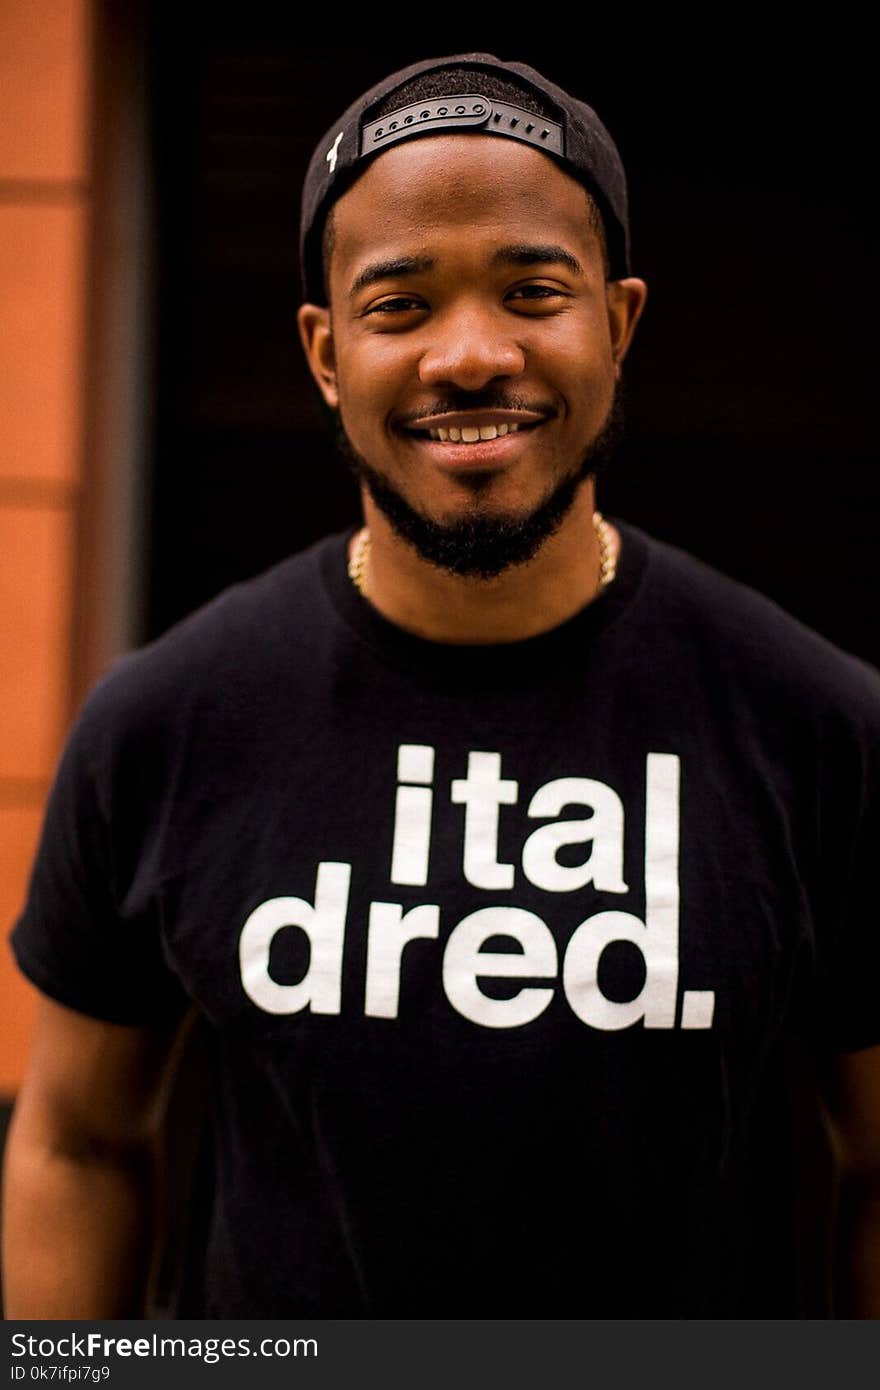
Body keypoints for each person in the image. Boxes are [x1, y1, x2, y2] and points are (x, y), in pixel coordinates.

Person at [3, 52, 879, 1320]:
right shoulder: (167, 723)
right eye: (400, 305)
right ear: (322, 350)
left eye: (533, 290)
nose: (469, 356)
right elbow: (75, 1144)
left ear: (620, 323)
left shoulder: (818, 729)